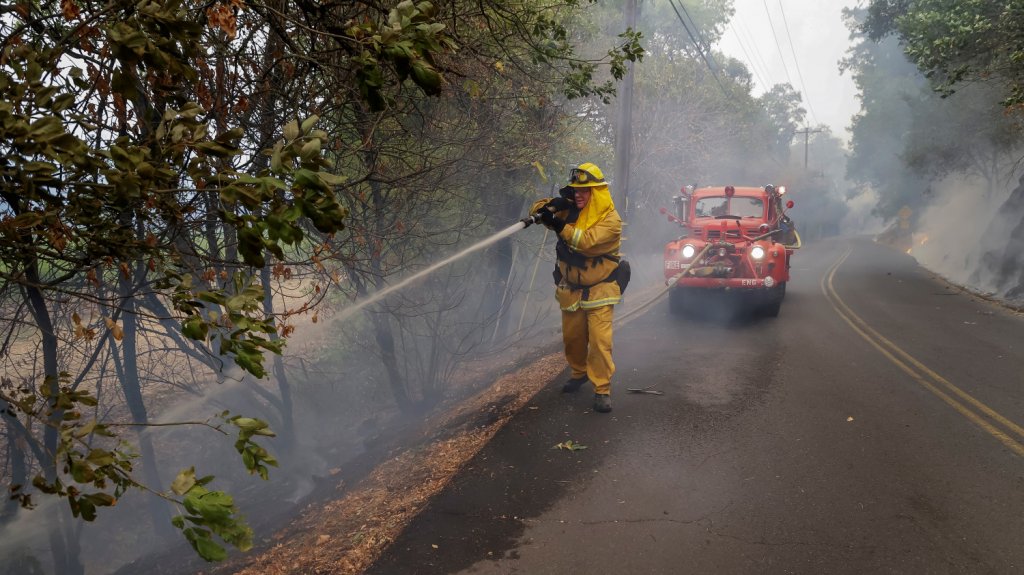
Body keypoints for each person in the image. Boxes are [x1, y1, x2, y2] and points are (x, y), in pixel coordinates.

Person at [530, 162, 623, 413]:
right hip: (570, 288)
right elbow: (537, 211)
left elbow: (585, 242)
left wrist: (558, 223)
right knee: (573, 339)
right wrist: (552, 206)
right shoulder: (570, 211)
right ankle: (579, 373)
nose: (578, 194)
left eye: (584, 190)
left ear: (597, 192)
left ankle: (602, 389)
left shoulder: (611, 220)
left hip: (600, 289)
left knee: (600, 342)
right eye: (575, 190)